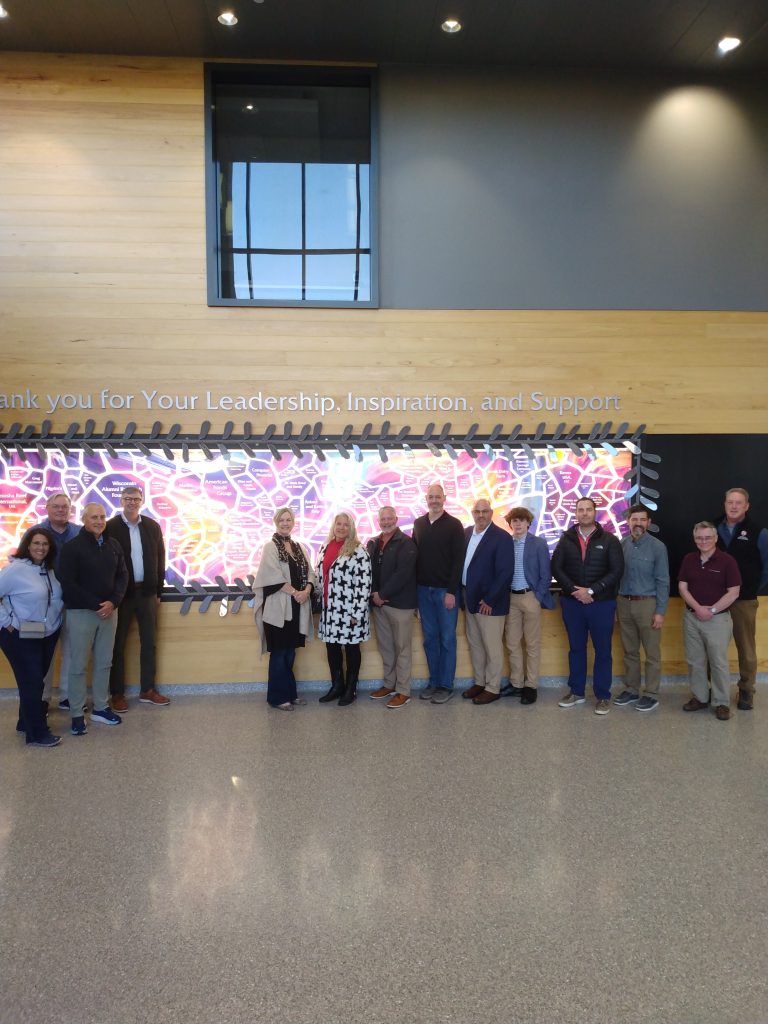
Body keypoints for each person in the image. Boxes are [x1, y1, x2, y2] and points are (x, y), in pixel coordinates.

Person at [58, 503, 128, 735]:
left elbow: (122, 576)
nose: (99, 521)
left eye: (102, 517)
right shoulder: (72, 548)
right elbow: (67, 582)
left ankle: (100, 708)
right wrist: (95, 604)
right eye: (93, 517)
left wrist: (114, 601)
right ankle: (77, 714)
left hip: (109, 613)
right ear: (84, 519)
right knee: (78, 666)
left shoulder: (113, 544)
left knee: (104, 662)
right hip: (81, 613)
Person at [551, 496, 624, 715]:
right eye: (580, 510)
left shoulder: (610, 540)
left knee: (603, 650)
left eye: (588, 509)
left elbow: (616, 571)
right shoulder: (566, 539)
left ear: (595, 512)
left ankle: (603, 696)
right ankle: (576, 692)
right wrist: (574, 590)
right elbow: (556, 568)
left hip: (601, 603)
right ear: (576, 513)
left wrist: (591, 590)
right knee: (576, 649)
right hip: (572, 603)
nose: (584, 513)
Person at [105, 485, 169, 710]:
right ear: (121, 500)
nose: (132, 502)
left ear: (142, 501)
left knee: (149, 643)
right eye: (128, 498)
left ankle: (147, 690)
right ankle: (117, 693)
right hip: (121, 596)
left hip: (148, 594)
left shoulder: (152, 526)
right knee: (117, 645)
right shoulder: (110, 527)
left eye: (136, 499)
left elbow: (160, 560)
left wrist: (159, 591)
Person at [0, 528, 64, 747]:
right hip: (19, 635)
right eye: (36, 543)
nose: (41, 548)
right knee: (32, 683)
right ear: (28, 545)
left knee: (35, 681)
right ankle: (37, 733)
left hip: (47, 634)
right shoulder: (16, 570)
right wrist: (6, 622)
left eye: (45, 544)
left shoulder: (49, 569)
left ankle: (24, 722)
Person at [253, 507, 316, 710]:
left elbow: (311, 574)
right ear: (275, 522)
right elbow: (271, 577)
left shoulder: (298, 547)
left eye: (289, 520)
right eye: (282, 520)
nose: (286, 523)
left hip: (297, 608)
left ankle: (290, 693)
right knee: (279, 653)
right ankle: (278, 698)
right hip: (278, 611)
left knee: (290, 653)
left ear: (293, 522)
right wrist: (296, 593)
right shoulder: (270, 547)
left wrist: (306, 590)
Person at [678, 521, 741, 721]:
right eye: (699, 537)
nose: (703, 541)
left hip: (718, 620)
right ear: (694, 539)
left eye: (707, 537)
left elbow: (734, 592)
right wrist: (697, 609)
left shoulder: (727, 561)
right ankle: (700, 697)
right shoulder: (689, 559)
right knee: (695, 661)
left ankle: (721, 702)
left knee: (719, 662)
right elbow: (682, 587)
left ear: (715, 539)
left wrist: (711, 610)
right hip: (692, 618)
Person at [412, 482, 465, 704]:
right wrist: (415, 596)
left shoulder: (454, 524)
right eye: (430, 497)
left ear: (444, 498)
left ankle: (446, 685)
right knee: (430, 640)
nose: (434, 500)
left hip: (446, 592)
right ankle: (434, 682)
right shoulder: (419, 523)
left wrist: (452, 591)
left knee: (447, 640)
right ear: (426, 499)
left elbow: (458, 561)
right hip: (423, 592)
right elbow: (415, 560)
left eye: (437, 497)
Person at [614, 504, 670, 712]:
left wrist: (660, 612)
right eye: (634, 519)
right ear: (628, 522)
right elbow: (615, 577)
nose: (638, 523)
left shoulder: (657, 547)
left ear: (649, 523)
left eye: (642, 520)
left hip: (648, 605)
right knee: (630, 651)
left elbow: (663, 581)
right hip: (623, 603)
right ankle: (631, 689)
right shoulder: (622, 545)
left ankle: (651, 693)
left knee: (652, 653)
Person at [715, 488, 768, 710]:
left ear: (747, 506)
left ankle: (746, 690)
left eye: (739, 503)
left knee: (746, 648)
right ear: (725, 504)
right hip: (715, 601)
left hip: (744, 600)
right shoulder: (712, 528)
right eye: (730, 502)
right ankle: (714, 690)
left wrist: (752, 589)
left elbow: (766, 567)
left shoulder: (759, 532)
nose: (734, 506)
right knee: (714, 647)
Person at [460, 499, 515, 705]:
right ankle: (480, 682)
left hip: (489, 604)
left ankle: (492, 687)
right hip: (469, 598)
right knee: (475, 644)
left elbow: (505, 572)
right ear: (472, 513)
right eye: (477, 511)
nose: (481, 515)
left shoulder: (501, 537)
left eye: (485, 511)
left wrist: (490, 599)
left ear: (491, 513)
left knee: (492, 647)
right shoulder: (466, 533)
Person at [316, 512, 372, 707]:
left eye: (345, 525)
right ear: (333, 526)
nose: (341, 527)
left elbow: (364, 584)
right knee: (332, 648)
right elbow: (320, 576)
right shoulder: (325, 547)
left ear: (351, 528)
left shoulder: (359, 550)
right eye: (338, 524)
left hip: (349, 611)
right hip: (329, 610)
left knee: (351, 648)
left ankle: (351, 688)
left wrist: (357, 612)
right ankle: (337, 685)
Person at [31, 493, 80, 711]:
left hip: (73, 601)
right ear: (47, 508)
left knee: (72, 650)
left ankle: (67, 696)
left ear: (71, 509)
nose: (61, 510)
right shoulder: (35, 533)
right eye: (56, 506)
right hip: (44, 603)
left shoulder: (80, 532)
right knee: (44, 652)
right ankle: (42, 698)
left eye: (65, 507)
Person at [502, 506, 555, 706]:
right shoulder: (506, 543)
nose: (517, 524)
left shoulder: (539, 543)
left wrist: (537, 597)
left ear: (528, 523)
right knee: (512, 643)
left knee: (532, 644)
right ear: (510, 524)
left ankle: (530, 685)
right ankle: (516, 683)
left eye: (521, 520)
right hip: (511, 600)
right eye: (514, 521)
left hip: (530, 597)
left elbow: (545, 574)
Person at [367, 506, 418, 709]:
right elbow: (368, 571)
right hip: (379, 606)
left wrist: (383, 594)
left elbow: (403, 574)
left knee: (402, 648)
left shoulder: (406, 543)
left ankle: (404, 691)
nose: (386, 522)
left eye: (390, 518)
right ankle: (389, 684)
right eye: (383, 519)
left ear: (396, 519)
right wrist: (374, 595)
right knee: (386, 647)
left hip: (400, 605)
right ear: (379, 521)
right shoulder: (374, 543)